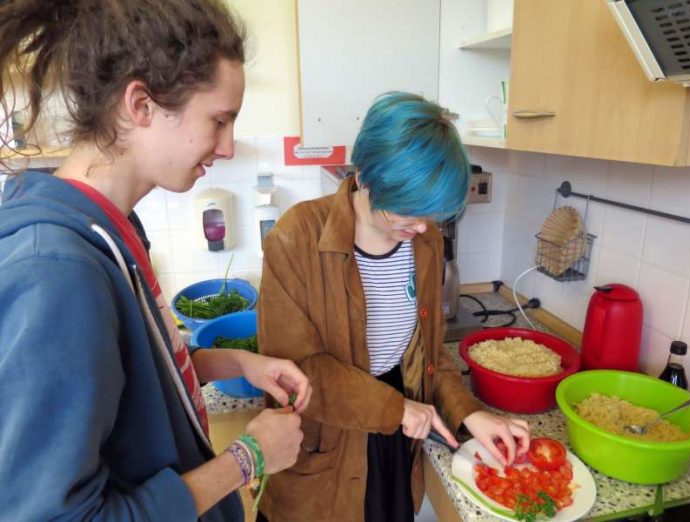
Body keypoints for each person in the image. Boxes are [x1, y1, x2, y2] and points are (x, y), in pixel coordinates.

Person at [0, 1, 311, 521]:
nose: (228, 146)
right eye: (219, 121)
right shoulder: (56, 272)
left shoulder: (113, 227)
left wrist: (238, 363)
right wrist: (248, 458)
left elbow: (132, 384)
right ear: (140, 104)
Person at [256, 91, 530, 521]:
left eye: (432, 215)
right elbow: (297, 372)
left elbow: (429, 353)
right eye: (408, 212)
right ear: (364, 177)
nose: (422, 226)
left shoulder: (424, 241)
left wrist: (470, 414)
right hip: (325, 448)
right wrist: (395, 407)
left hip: (398, 439)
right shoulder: (296, 238)